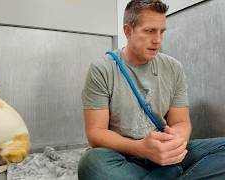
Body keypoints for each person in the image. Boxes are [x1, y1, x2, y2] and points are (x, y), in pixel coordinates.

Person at [78, 0, 225, 179]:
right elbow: (96, 133)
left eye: (161, 32)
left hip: (164, 153)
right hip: (123, 154)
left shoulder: (174, 68)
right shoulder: (102, 70)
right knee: (91, 163)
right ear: (128, 31)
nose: (157, 40)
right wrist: (141, 148)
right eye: (149, 31)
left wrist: (175, 142)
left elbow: (181, 122)